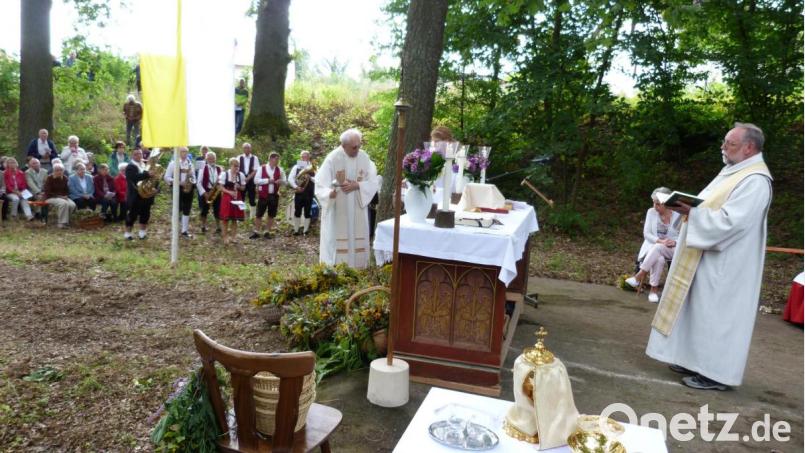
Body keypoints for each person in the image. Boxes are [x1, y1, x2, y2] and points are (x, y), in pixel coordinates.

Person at [646, 122, 773, 391]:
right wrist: (687, 206)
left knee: (717, 316)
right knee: (698, 312)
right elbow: (708, 203)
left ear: (749, 148)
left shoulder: (755, 181)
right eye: (725, 142)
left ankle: (716, 373)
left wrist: (693, 212)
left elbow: (733, 222)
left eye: (731, 144)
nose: (723, 148)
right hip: (706, 256)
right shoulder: (733, 172)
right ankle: (692, 360)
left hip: (728, 264)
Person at [314, 128, 378, 268]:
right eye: (354, 147)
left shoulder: (364, 158)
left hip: (357, 208)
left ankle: (359, 268)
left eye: (359, 146)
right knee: (338, 241)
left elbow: (374, 181)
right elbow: (319, 185)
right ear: (343, 146)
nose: (357, 149)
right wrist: (329, 194)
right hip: (338, 209)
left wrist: (358, 185)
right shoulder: (332, 159)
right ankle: (337, 268)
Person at [624, 187, 682, 303]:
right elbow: (647, 234)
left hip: (674, 248)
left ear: (667, 203)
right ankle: (653, 291)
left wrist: (674, 242)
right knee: (659, 258)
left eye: (658, 203)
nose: (655, 206)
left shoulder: (678, 214)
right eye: (653, 202)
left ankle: (638, 276)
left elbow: (683, 234)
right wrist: (661, 241)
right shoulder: (651, 212)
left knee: (659, 249)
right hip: (653, 245)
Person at [253, 152, 286, 239]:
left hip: (274, 195)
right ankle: (256, 231)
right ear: (271, 159)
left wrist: (281, 181)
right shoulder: (262, 168)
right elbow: (256, 180)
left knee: (271, 214)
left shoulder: (280, 169)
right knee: (259, 214)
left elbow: (285, 182)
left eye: (278, 159)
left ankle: (267, 231)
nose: (278, 161)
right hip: (263, 194)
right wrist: (267, 180)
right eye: (276, 159)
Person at [164, 146, 196, 237]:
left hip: (188, 189)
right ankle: (174, 230)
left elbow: (194, 177)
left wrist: (192, 181)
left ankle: (184, 231)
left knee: (187, 209)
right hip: (177, 188)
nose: (184, 154)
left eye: (186, 152)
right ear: (178, 153)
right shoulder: (173, 164)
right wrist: (178, 182)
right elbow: (166, 177)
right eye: (182, 152)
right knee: (176, 209)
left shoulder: (190, 164)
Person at [124, 148, 154, 240]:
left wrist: (153, 187)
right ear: (132, 155)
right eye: (136, 154)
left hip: (146, 194)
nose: (138, 155)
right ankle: (128, 234)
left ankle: (142, 233)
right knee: (133, 214)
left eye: (140, 154)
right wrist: (148, 174)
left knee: (145, 213)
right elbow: (134, 177)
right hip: (135, 195)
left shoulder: (145, 164)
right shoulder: (130, 166)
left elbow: (150, 179)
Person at [287, 150, 316, 236]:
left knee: (308, 211)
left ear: (309, 157)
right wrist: (296, 187)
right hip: (299, 192)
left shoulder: (313, 167)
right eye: (303, 156)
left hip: (309, 192)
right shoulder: (296, 167)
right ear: (300, 157)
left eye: (306, 156)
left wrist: (310, 177)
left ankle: (305, 231)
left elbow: (318, 179)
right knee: (297, 210)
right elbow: (290, 179)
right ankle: (296, 230)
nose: (304, 157)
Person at [219, 157, 246, 243]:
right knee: (225, 219)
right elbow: (220, 187)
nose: (237, 168)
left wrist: (239, 187)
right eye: (235, 166)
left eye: (238, 166)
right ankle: (225, 237)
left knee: (235, 218)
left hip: (237, 198)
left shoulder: (240, 175)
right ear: (231, 165)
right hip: (227, 198)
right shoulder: (225, 174)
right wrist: (229, 192)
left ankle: (234, 237)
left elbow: (243, 187)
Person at [196, 151, 223, 234]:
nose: (211, 160)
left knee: (217, 209)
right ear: (206, 159)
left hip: (216, 191)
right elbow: (198, 183)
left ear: (215, 159)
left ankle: (218, 227)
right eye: (209, 158)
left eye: (213, 158)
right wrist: (205, 193)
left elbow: (222, 180)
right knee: (204, 210)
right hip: (206, 191)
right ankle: (203, 226)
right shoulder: (202, 168)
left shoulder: (219, 168)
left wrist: (220, 186)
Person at [44, 163, 76, 228]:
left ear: (63, 171)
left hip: (62, 197)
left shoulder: (65, 178)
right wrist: (60, 197)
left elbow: (67, 190)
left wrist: (66, 195)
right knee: (63, 203)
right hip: (50, 197)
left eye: (61, 170)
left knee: (72, 205)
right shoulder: (49, 178)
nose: (59, 172)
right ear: (54, 171)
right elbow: (48, 192)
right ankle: (61, 223)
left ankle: (66, 221)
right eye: (57, 170)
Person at [237, 143, 260, 220]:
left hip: (251, 181)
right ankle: (241, 216)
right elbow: (237, 169)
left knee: (252, 198)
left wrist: (248, 178)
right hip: (241, 180)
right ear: (243, 149)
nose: (247, 149)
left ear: (250, 149)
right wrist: (243, 178)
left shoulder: (255, 158)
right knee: (241, 198)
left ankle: (252, 217)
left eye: (248, 148)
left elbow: (256, 170)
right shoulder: (239, 157)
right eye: (245, 148)